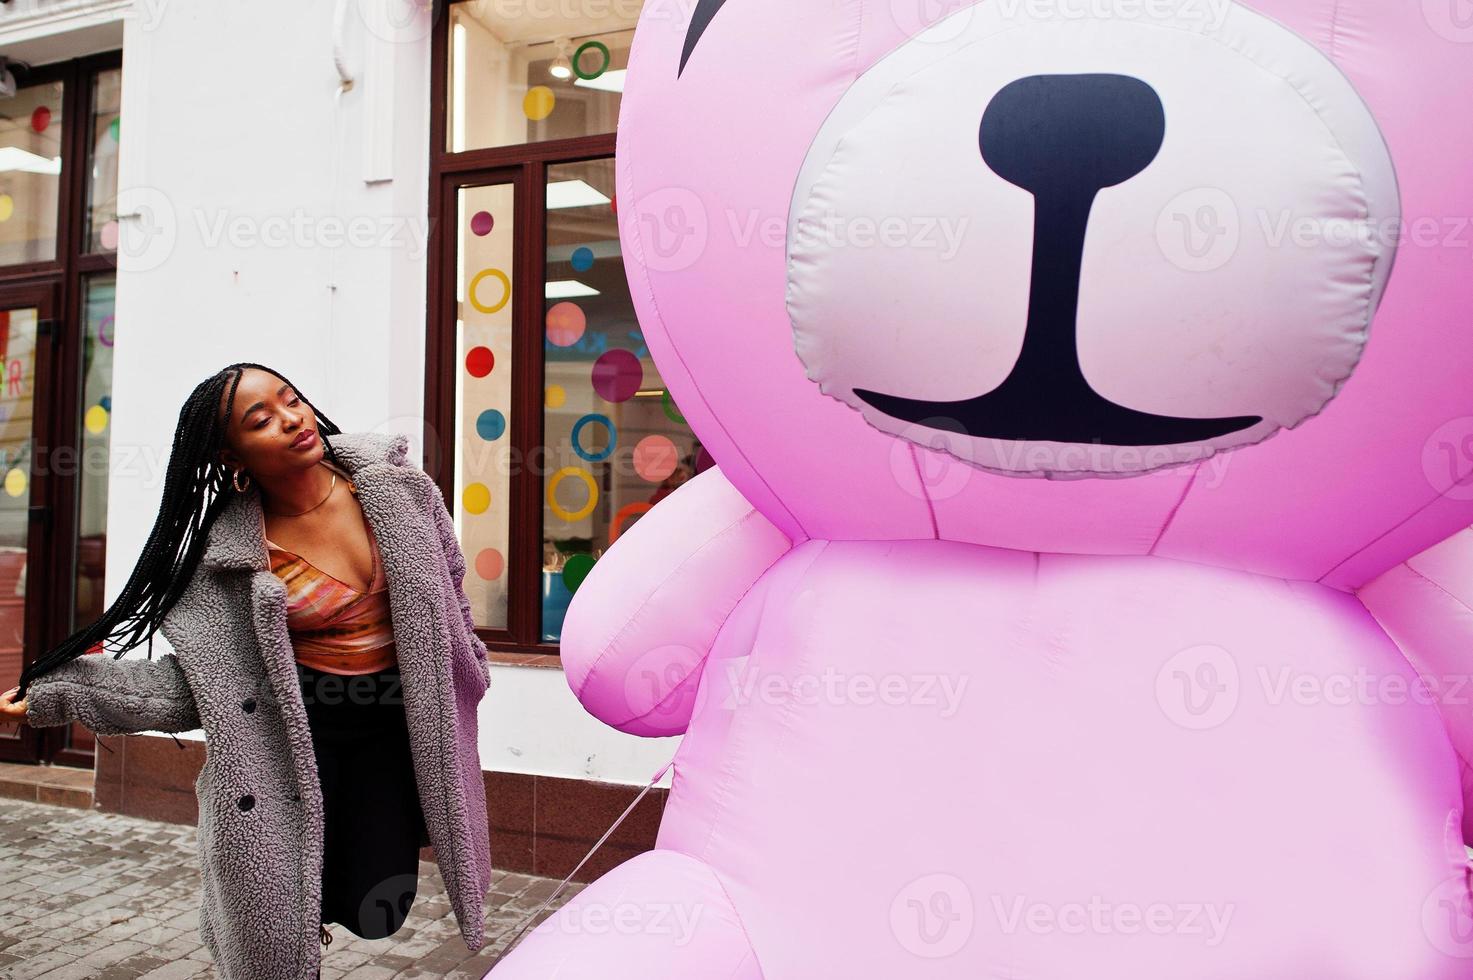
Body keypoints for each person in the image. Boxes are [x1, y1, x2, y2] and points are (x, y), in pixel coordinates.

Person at [1, 362, 493, 979]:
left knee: (379, 905)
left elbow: (449, 580)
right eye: (262, 420)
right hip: (292, 737)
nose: (290, 420)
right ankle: (287, 926)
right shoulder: (225, 558)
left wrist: (469, 658)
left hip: (394, 729)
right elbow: (192, 684)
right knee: (277, 914)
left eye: (292, 401)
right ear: (233, 456)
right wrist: (57, 690)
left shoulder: (398, 490)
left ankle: (306, 900)